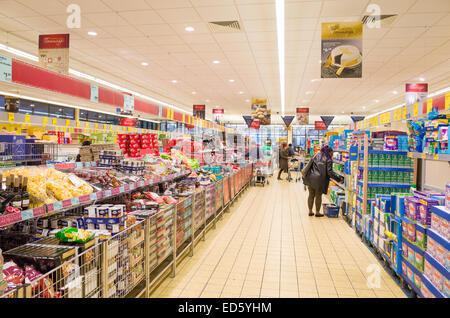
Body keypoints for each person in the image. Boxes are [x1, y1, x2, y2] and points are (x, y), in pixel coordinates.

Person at [302, 145, 343, 217]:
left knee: (311, 195)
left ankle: (310, 211)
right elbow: (329, 172)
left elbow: (309, 165)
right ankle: (317, 212)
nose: (332, 154)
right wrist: (339, 179)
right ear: (329, 152)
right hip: (320, 180)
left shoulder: (316, 155)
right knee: (318, 196)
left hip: (310, 178)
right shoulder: (328, 159)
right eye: (332, 152)